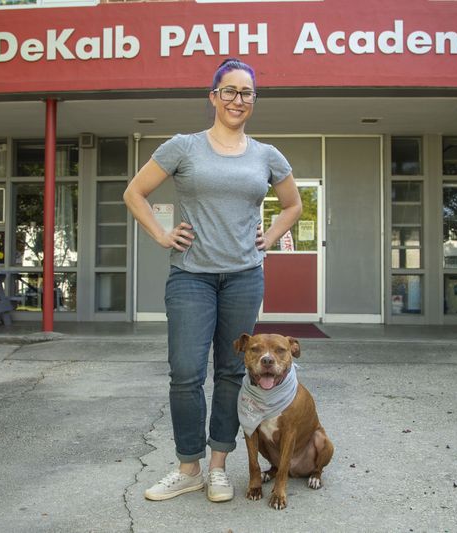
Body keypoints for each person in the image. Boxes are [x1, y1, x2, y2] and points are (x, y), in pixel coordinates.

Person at [123, 58, 302, 503]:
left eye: (246, 93)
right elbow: (134, 192)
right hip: (191, 277)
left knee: (228, 372)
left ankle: (219, 467)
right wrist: (164, 235)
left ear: (253, 101)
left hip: (244, 276)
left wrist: (271, 236)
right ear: (213, 96)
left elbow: (293, 205)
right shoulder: (184, 147)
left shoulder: (266, 155)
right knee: (185, 373)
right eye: (230, 91)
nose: (237, 100)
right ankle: (189, 468)